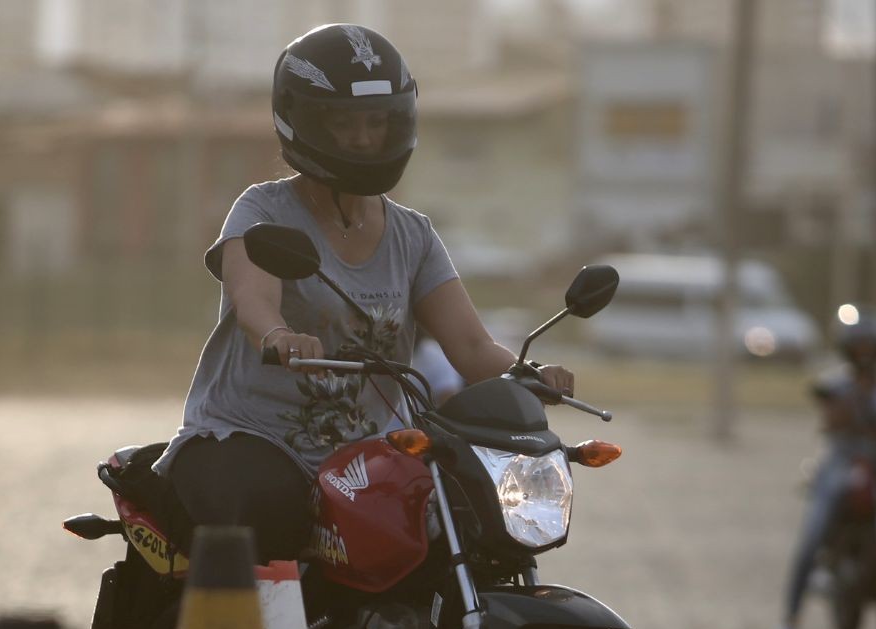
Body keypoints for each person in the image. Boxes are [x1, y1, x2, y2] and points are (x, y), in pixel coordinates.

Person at [148, 23, 574, 563]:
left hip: (370, 457)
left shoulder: (413, 236)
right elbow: (253, 299)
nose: (364, 137)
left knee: (457, 516)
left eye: (377, 122)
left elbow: (469, 347)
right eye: (345, 122)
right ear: (302, 119)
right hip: (253, 438)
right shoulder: (262, 211)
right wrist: (279, 335)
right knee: (268, 512)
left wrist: (530, 374)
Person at [778, 308, 876, 629]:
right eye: (858, 347)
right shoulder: (835, 382)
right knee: (813, 533)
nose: (864, 354)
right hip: (842, 459)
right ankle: (791, 617)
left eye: (870, 347)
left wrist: (866, 423)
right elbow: (831, 422)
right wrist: (854, 411)